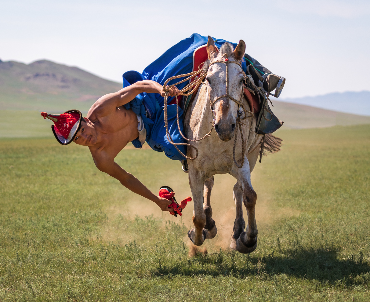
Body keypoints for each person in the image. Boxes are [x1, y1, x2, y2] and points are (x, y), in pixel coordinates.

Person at [41, 33, 285, 213]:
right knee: (174, 147)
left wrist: (162, 89)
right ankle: (194, 169)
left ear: (84, 119)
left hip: (153, 98)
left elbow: (136, 88)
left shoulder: (103, 108)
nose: (85, 138)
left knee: (196, 49)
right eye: (78, 139)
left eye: (81, 130)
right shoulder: (101, 157)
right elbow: (127, 178)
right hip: (152, 130)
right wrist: (157, 201)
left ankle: (261, 75)